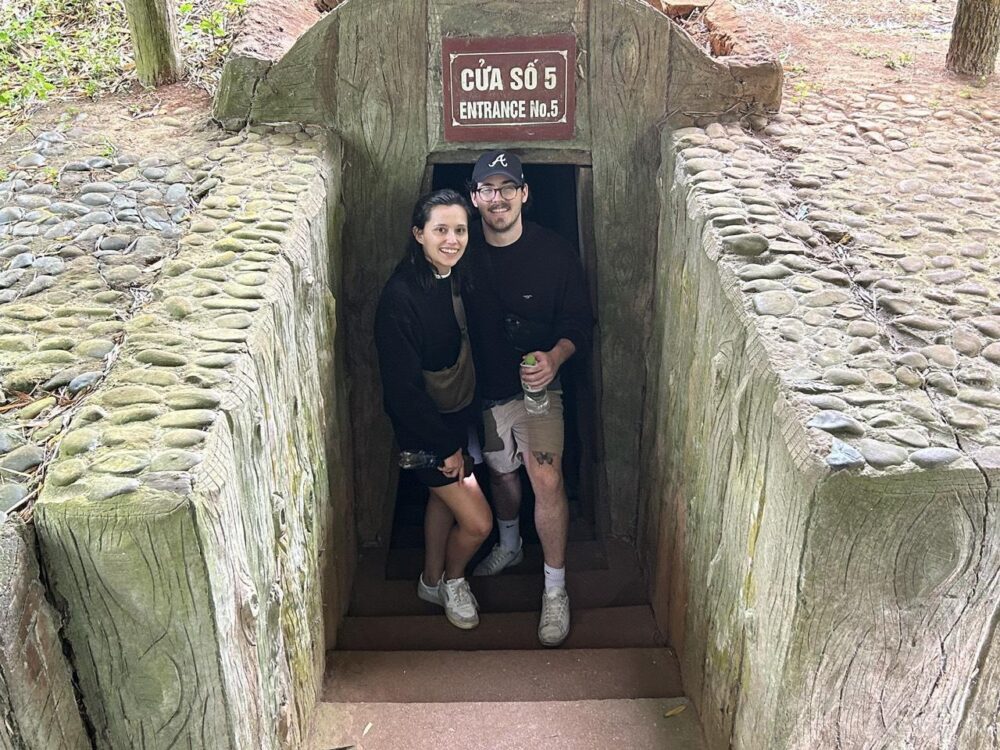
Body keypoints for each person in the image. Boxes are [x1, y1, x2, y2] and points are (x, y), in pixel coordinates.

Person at [465, 150, 593, 647]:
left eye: (507, 188)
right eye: (488, 190)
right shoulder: (462, 250)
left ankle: (555, 589)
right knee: (501, 474)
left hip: (540, 386)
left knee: (546, 475)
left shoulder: (555, 253)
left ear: (524, 194)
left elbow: (579, 321)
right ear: (475, 198)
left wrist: (556, 358)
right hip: (488, 389)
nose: (497, 198)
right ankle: (511, 543)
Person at [374, 189, 493, 630]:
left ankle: (430, 577)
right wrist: (446, 446)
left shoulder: (455, 276)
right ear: (418, 233)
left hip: (454, 415)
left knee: (443, 503)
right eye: (440, 229)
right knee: (478, 521)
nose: (452, 239)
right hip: (423, 429)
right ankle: (454, 580)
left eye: (460, 230)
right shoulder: (400, 297)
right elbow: (402, 392)